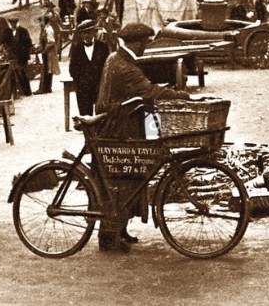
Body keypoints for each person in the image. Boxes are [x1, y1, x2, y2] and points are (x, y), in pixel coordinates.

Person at [94, 22, 195, 252]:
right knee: (121, 181)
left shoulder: (116, 58)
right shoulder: (125, 67)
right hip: (118, 129)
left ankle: (119, 230)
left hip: (119, 125)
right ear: (137, 43)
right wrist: (182, 96)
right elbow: (148, 90)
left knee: (128, 179)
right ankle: (109, 238)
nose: (146, 47)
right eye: (145, 43)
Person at [69, 19, 110, 117]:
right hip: (84, 88)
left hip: (99, 86)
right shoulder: (76, 48)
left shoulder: (103, 47)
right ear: (81, 34)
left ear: (94, 32)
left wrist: (102, 82)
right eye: (84, 33)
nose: (86, 35)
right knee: (85, 116)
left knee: (102, 115)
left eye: (88, 32)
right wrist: (81, 81)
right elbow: (72, 69)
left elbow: (108, 66)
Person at [6, 18, 34, 96]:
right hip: (13, 56)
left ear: (17, 23)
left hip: (22, 56)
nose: (13, 25)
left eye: (14, 24)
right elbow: (4, 42)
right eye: (12, 24)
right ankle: (19, 91)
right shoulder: (7, 32)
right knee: (16, 74)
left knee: (23, 73)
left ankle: (27, 91)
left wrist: (26, 54)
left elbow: (29, 43)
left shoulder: (23, 31)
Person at [35, 14, 61, 94]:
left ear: (44, 22)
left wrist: (44, 49)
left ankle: (45, 88)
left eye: (40, 22)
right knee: (46, 70)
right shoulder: (44, 29)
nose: (40, 23)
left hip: (49, 53)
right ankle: (46, 88)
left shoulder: (48, 30)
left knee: (46, 70)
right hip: (46, 52)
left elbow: (51, 42)